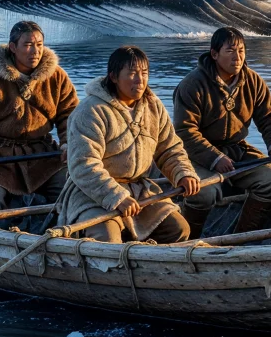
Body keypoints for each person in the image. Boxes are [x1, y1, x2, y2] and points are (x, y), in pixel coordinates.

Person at [56, 46, 198, 244]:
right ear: (114, 77)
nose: (140, 80)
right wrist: (116, 196)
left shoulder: (153, 106)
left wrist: (183, 173)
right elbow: (83, 165)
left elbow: (170, 148)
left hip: (140, 192)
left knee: (179, 229)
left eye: (144, 73)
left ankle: (152, 272)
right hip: (93, 194)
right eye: (132, 74)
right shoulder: (91, 111)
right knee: (107, 240)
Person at [173, 27, 271, 238]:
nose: (238, 57)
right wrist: (214, 158)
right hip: (196, 155)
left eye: (242, 51)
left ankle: (241, 239)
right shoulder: (192, 84)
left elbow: (270, 116)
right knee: (204, 192)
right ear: (214, 54)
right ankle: (188, 241)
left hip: (236, 151)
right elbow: (184, 132)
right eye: (230, 51)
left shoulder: (253, 80)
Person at [0, 21, 77, 214]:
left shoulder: (57, 76)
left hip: (42, 155)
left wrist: (69, 144)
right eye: (28, 45)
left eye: (39, 45)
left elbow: (70, 115)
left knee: (69, 194)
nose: (35, 51)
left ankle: (54, 236)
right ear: (13, 47)